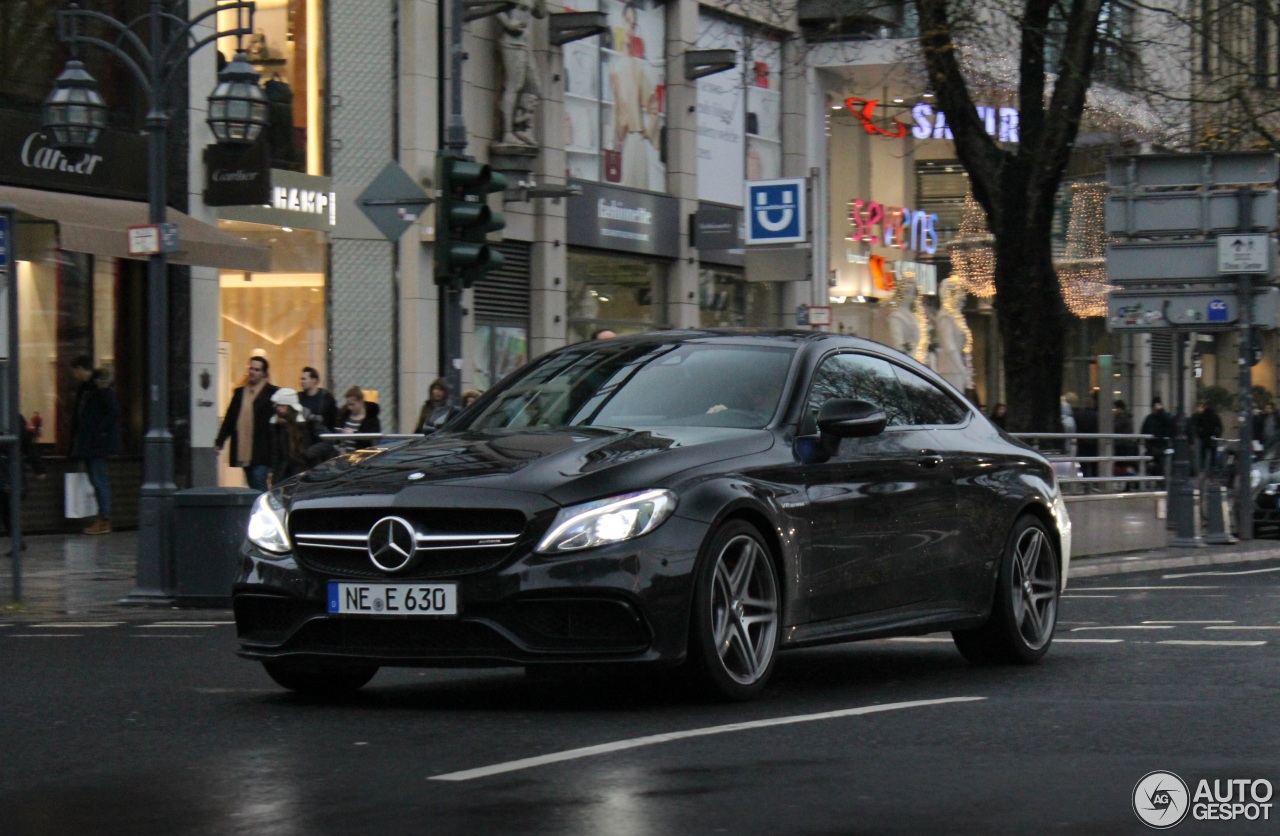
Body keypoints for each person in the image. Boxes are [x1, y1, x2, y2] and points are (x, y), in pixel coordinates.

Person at [69, 357, 122, 535]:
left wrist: (99, 429)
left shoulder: (99, 386)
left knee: (99, 479)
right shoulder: (85, 388)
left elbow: (114, 410)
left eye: (75, 371)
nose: (74, 375)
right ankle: (103, 518)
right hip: (88, 442)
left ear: (82, 369)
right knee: (95, 480)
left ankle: (105, 519)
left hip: (96, 443)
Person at [215, 355, 279, 491]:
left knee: (258, 481)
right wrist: (220, 441)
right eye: (251, 368)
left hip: (263, 449)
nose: (252, 372)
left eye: (257, 370)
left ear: (264, 374)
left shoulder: (273, 393)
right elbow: (230, 419)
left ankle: (267, 508)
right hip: (245, 450)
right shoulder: (239, 393)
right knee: (252, 484)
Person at [1, 415, 47, 546]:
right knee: (8, 511)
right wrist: (39, 469)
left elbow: (28, 445)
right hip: (9, 472)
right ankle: (18, 542)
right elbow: (28, 444)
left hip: (8, 472)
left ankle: (18, 542)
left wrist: (39, 468)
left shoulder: (14, 419)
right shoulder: (14, 417)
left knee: (8, 511)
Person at [268, 388, 317, 486]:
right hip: (283, 471)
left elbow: (326, 441)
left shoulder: (308, 421)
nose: (279, 409)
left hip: (303, 467)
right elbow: (276, 452)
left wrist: (307, 453)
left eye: (282, 405)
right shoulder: (277, 424)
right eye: (277, 405)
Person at [335, 386, 382, 452]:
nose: (350, 408)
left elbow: (372, 439)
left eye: (352, 404)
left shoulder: (371, 419)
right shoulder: (343, 415)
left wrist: (354, 434)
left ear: (361, 402)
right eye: (348, 404)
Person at [1140, 396, 1176, 477]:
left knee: (1162, 469)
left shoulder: (1165, 416)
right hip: (1152, 448)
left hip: (1162, 447)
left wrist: (1161, 412)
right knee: (1152, 468)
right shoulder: (1149, 418)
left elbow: (1170, 424)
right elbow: (1143, 431)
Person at [298, 366, 338, 432]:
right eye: (301, 379)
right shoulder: (299, 397)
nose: (301, 382)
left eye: (304, 379)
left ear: (314, 380)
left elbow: (332, 421)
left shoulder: (326, 399)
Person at [1190, 399, 1223, 474]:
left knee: (1203, 454)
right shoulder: (1215, 415)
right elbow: (1220, 427)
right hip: (1212, 437)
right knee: (1213, 454)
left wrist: (1200, 435)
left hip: (1204, 437)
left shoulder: (1202, 416)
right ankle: (1212, 468)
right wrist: (1217, 435)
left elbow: (1197, 426)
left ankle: (1203, 468)